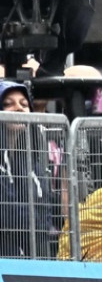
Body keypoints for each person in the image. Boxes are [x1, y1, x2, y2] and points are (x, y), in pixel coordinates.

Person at [0, 82, 55, 257]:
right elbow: (8, 215)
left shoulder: (31, 162)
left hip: (28, 258)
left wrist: (37, 227)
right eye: (8, 104)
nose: (18, 109)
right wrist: (33, 225)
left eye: (24, 104)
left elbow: (45, 211)